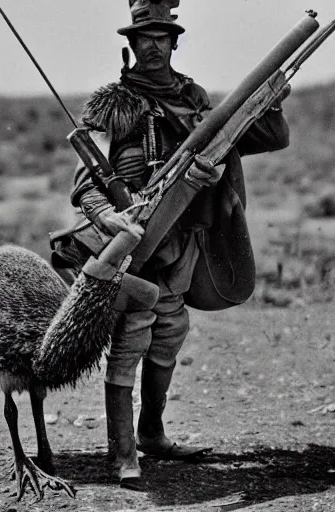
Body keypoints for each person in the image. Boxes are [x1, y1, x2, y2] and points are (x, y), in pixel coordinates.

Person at [69, 0, 290, 491]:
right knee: (133, 336)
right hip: (133, 243)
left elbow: (254, 138)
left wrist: (269, 101)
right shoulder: (114, 104)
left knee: (170, 331)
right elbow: (85, 184)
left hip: (187, 238)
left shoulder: (194, 98)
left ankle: (152, 433)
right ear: (130, 44)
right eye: (142, 37)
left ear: (173, 41)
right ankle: (123, 453)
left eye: (160, 36)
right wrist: (110, 218)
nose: (151, 45)